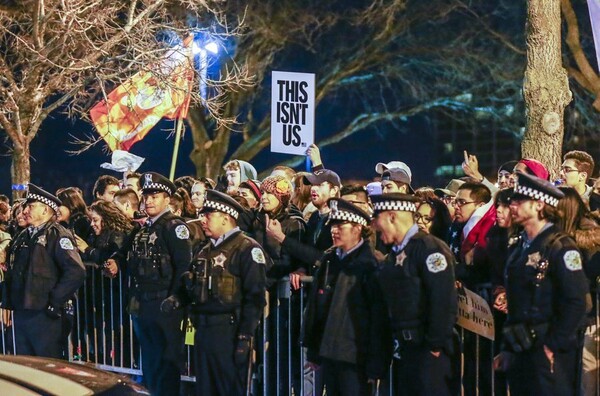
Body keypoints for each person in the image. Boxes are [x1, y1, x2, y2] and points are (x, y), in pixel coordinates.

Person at [162, 189, 267, 395]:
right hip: (204, 331)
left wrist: (245, 336)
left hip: (229, 332)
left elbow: (255, 298)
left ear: (226, 218)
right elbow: (191, 284)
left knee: (228, 389)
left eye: (209, 215)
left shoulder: (247, 249)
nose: (203, 220)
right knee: (205, 389)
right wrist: (177, 299)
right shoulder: (205, 250)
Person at [495, 172, 589, 395]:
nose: (512, 206)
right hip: (521, 348)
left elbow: (577, 301)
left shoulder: (560, 247)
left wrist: (552, 345)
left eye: (519, 201)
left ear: (538, 205)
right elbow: (516, 306)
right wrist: (508, 348)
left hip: (547, 352)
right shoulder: (519, 247)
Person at [107, 172, 192, 396]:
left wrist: (174, 300)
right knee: (151, 364)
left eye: (155, 195)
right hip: (142, 304)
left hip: (164, 304)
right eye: (146, 196)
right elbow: (124, 252)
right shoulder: (142, 228)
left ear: (167, 198)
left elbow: (184, 267)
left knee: (166, 364)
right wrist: (115, 260)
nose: (149, 200)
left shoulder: (174, 227)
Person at [371, 193, 457, 395]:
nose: (374, 225)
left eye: (378, 218)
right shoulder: (396, 254)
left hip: (428, 353)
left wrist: (434, 345)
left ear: (392, 216)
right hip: (406, 351)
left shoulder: (429, 249)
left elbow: (442, 300)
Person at [303, 198, 390, 395]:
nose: (334, 230)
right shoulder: (329, 260)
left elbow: (379, 318)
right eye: (333, 225)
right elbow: (317, 307)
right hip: (330, 352)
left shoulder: (371, 264)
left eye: (340, 225)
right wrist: (314, 350)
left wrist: (376, 363)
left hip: (356, 357)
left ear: (357, 228)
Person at [2, 184, 85, 358]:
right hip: (22, 312)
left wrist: (54, 302)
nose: (25, 210)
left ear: (46, 210)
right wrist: (7, 302)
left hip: (45, 315)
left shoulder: (57, 234)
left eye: (31, 206)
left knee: (49, 369)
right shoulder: (23, 236)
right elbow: (14, 271)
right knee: (27, 370)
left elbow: (75, 271)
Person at [75, 200, 134, 364]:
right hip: (99, 296)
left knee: (116, 334)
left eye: (95, 220)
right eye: (91, 220)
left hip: (115, 295)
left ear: (106, 219)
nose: (92, 224)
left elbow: (109, 256)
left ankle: (121, 365)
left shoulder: (118, 235)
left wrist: (87, 250)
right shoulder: (94, 235)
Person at [556, 186, 600, 396]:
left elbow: (586, 281)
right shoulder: (558, 236)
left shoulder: (587, 239)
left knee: (586, 380)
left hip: (587, 319)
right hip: (569, 319)